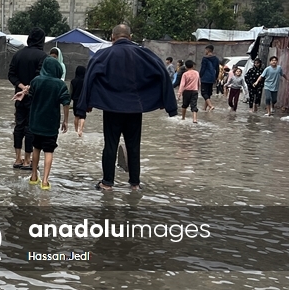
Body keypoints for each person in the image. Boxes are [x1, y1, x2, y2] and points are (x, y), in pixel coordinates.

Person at [77, 24, 178, 191]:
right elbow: (162, 73)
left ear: (112, 38)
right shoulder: (144, 54)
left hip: (111, 108)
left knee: (110, 145)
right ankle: (134, 184)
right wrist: (167, 104)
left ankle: (107, 183)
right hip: (135, 108)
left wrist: (84, 106)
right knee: (133, 146)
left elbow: (89, 79)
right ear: (130, 38)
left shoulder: (103, 55)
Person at [14, 57, 70, 190]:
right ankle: (45, 181)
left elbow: (30, 94)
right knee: (49, 150)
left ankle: (34, 176)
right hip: (50, 124)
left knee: (36, 148)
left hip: (36, 122)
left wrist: (23, 92)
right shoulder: (60, 85)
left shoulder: (36, 81)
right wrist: (66, 120)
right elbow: (66, 103)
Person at [7, 28, 48, 170]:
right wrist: (28, 89)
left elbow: (11, 74)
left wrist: (21, 87)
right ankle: (27, 160)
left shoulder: (18, 54)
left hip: (18, 96)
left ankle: (17, 159)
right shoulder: (43, 56)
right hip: (34, 98)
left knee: (18, 126)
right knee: (30, 127)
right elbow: (39, 76)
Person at [199, 45, 221, 111]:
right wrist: (216, 77)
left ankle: (210, 105)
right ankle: (204, 108)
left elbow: (203, 68)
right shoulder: (216, 59)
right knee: (208, 93)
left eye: (205, 50)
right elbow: (217, 69)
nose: (205, 51)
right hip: (212, 77)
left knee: (203, 93)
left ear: (208, 50)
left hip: (205, 78)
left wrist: (200, 75)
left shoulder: (205, 59)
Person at [70, 65, 87, 137]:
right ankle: (81, 130)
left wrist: (70, 99)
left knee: (76, 116)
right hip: (83, 100)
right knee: (82, 116)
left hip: (75, 100)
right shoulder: (85, 81)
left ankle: (76, 130)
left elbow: (70, 91)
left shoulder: (73, 81)